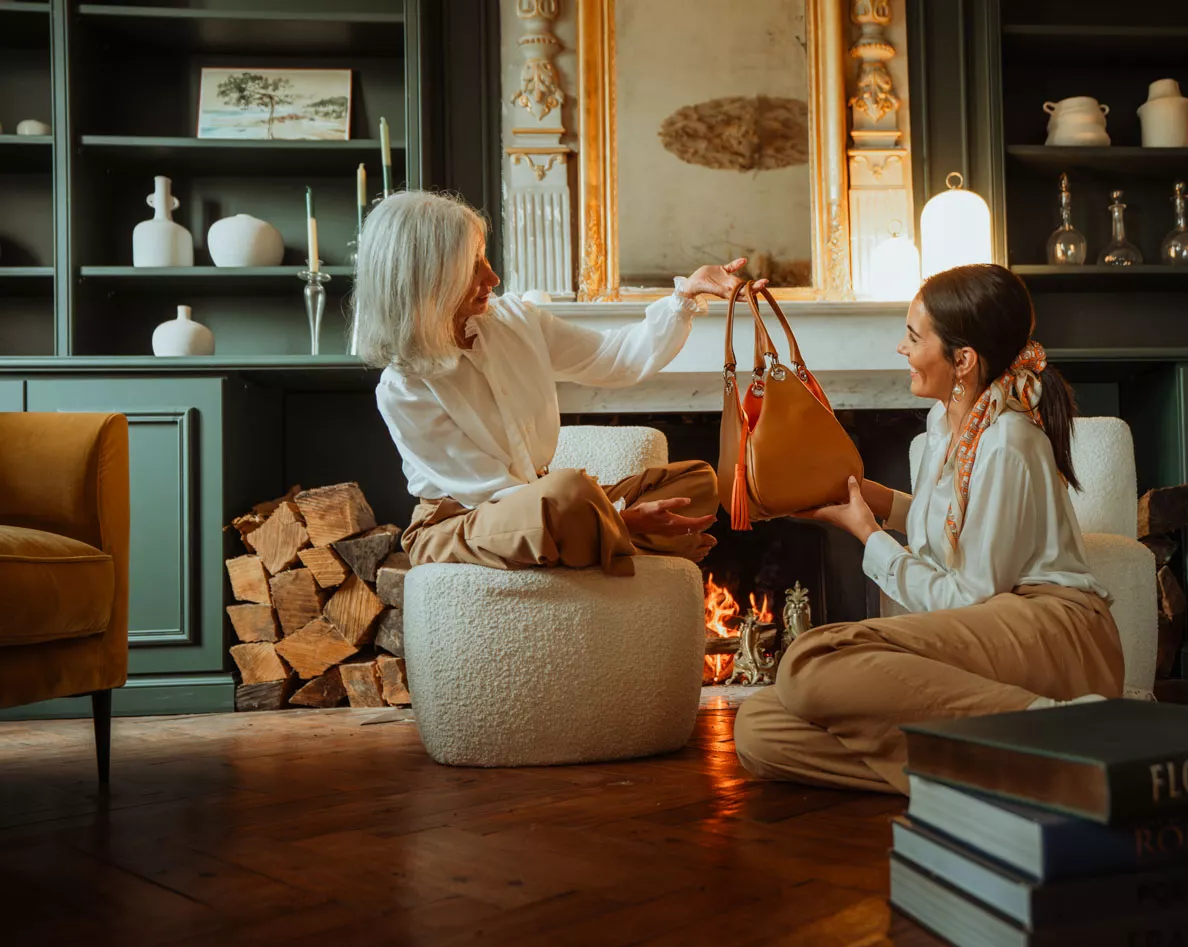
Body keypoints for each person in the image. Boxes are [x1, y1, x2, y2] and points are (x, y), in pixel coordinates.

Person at [734, 263, 1124, 794]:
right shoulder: (945, 423)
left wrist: (868, 535)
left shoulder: (1009, 441)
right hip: (992, 632)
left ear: (962, 360)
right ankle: (1010, 770)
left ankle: (1073, 735)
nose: (902, 348)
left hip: (1053, 632)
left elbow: (968, 597)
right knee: (761, 728)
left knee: (809, 660)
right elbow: (950, 522)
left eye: (914, 337)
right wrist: (857, 495)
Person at [356, 190, 765, 575]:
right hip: (469, 518)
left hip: (547, 503)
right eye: (472, 266)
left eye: (483, 258)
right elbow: (491, 493)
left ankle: (607, 539)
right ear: (428, 280)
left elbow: (615, 360)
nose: (493, 277)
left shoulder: (515, 321)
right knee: (568, 491)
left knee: (698, 480)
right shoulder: (404, 388)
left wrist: (687, 294)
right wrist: (619, 516)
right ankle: (634, 541)